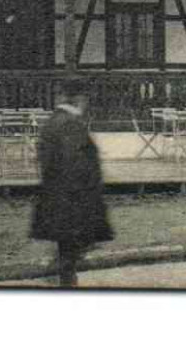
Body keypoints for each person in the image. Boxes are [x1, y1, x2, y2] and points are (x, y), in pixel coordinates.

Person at [31, 81, 112, 287]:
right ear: (78, 99)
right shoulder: (70, 124)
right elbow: (74, 164)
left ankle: (64, 278)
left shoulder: (53, 121)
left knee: (67, 249)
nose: (86, 104)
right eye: (85, 99)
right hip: (72, 200)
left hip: (57, 197)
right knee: (70, 252)